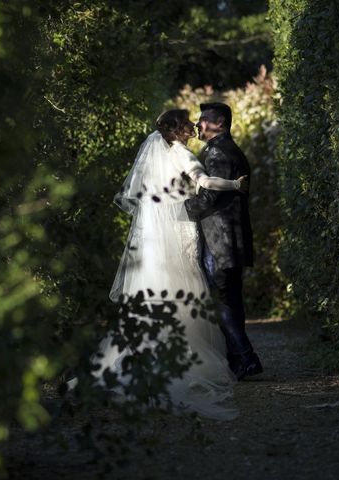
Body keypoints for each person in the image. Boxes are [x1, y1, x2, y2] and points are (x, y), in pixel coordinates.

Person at [91, 109, 248, 419]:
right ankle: (183, 357)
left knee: (156, 287)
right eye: (188, 122)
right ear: (178, 130)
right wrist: (235, 185)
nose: (193, 125)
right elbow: (205, 181)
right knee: (184, 287)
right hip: (178, 233)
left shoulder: (153, 153)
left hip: (154, 240)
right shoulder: (181, 154)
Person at [184, 102, 263, 380]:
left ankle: (246, 357)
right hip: (233, 238)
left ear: (219, 124)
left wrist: (175, 210)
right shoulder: (232, 150)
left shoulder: (217, 153)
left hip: (220, 240)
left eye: (204, 119)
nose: (198, 124)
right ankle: (237, 361)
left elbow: (209, 198)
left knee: (221, 301)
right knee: (231, 300)